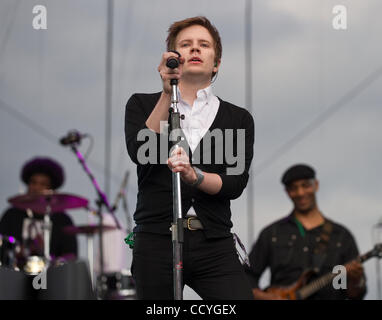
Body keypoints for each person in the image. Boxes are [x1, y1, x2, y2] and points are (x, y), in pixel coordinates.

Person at [124, 16, 254, 299]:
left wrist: (195, 176)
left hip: (213, 241)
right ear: (173, 57)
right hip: (157, 238)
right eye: (186, 44)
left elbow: (235, 182)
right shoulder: (142, 104)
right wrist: (165, 92)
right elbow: (141, 152)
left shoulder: (237, 118)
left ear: (216, 62)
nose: (195, 50)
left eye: (203, 45)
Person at [245, 164, 367, 300]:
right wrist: (264, 297)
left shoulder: (342, 236)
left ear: (316, 185)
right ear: (287, 192)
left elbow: (355, 294)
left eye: (305, 185)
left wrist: (356, 280)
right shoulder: (272, 233)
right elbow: (246, 276)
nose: (300, 193)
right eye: (293, 188)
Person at [0, 157, 78, 267]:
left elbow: (71, 255)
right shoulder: (12, 214)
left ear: (52, 189)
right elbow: (3, 248)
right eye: (33, 182)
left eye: (43, 184)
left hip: (51, 278)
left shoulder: (62, 219)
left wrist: (55, 261)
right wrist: (24, 250)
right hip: (14, 275)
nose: (37, 187)